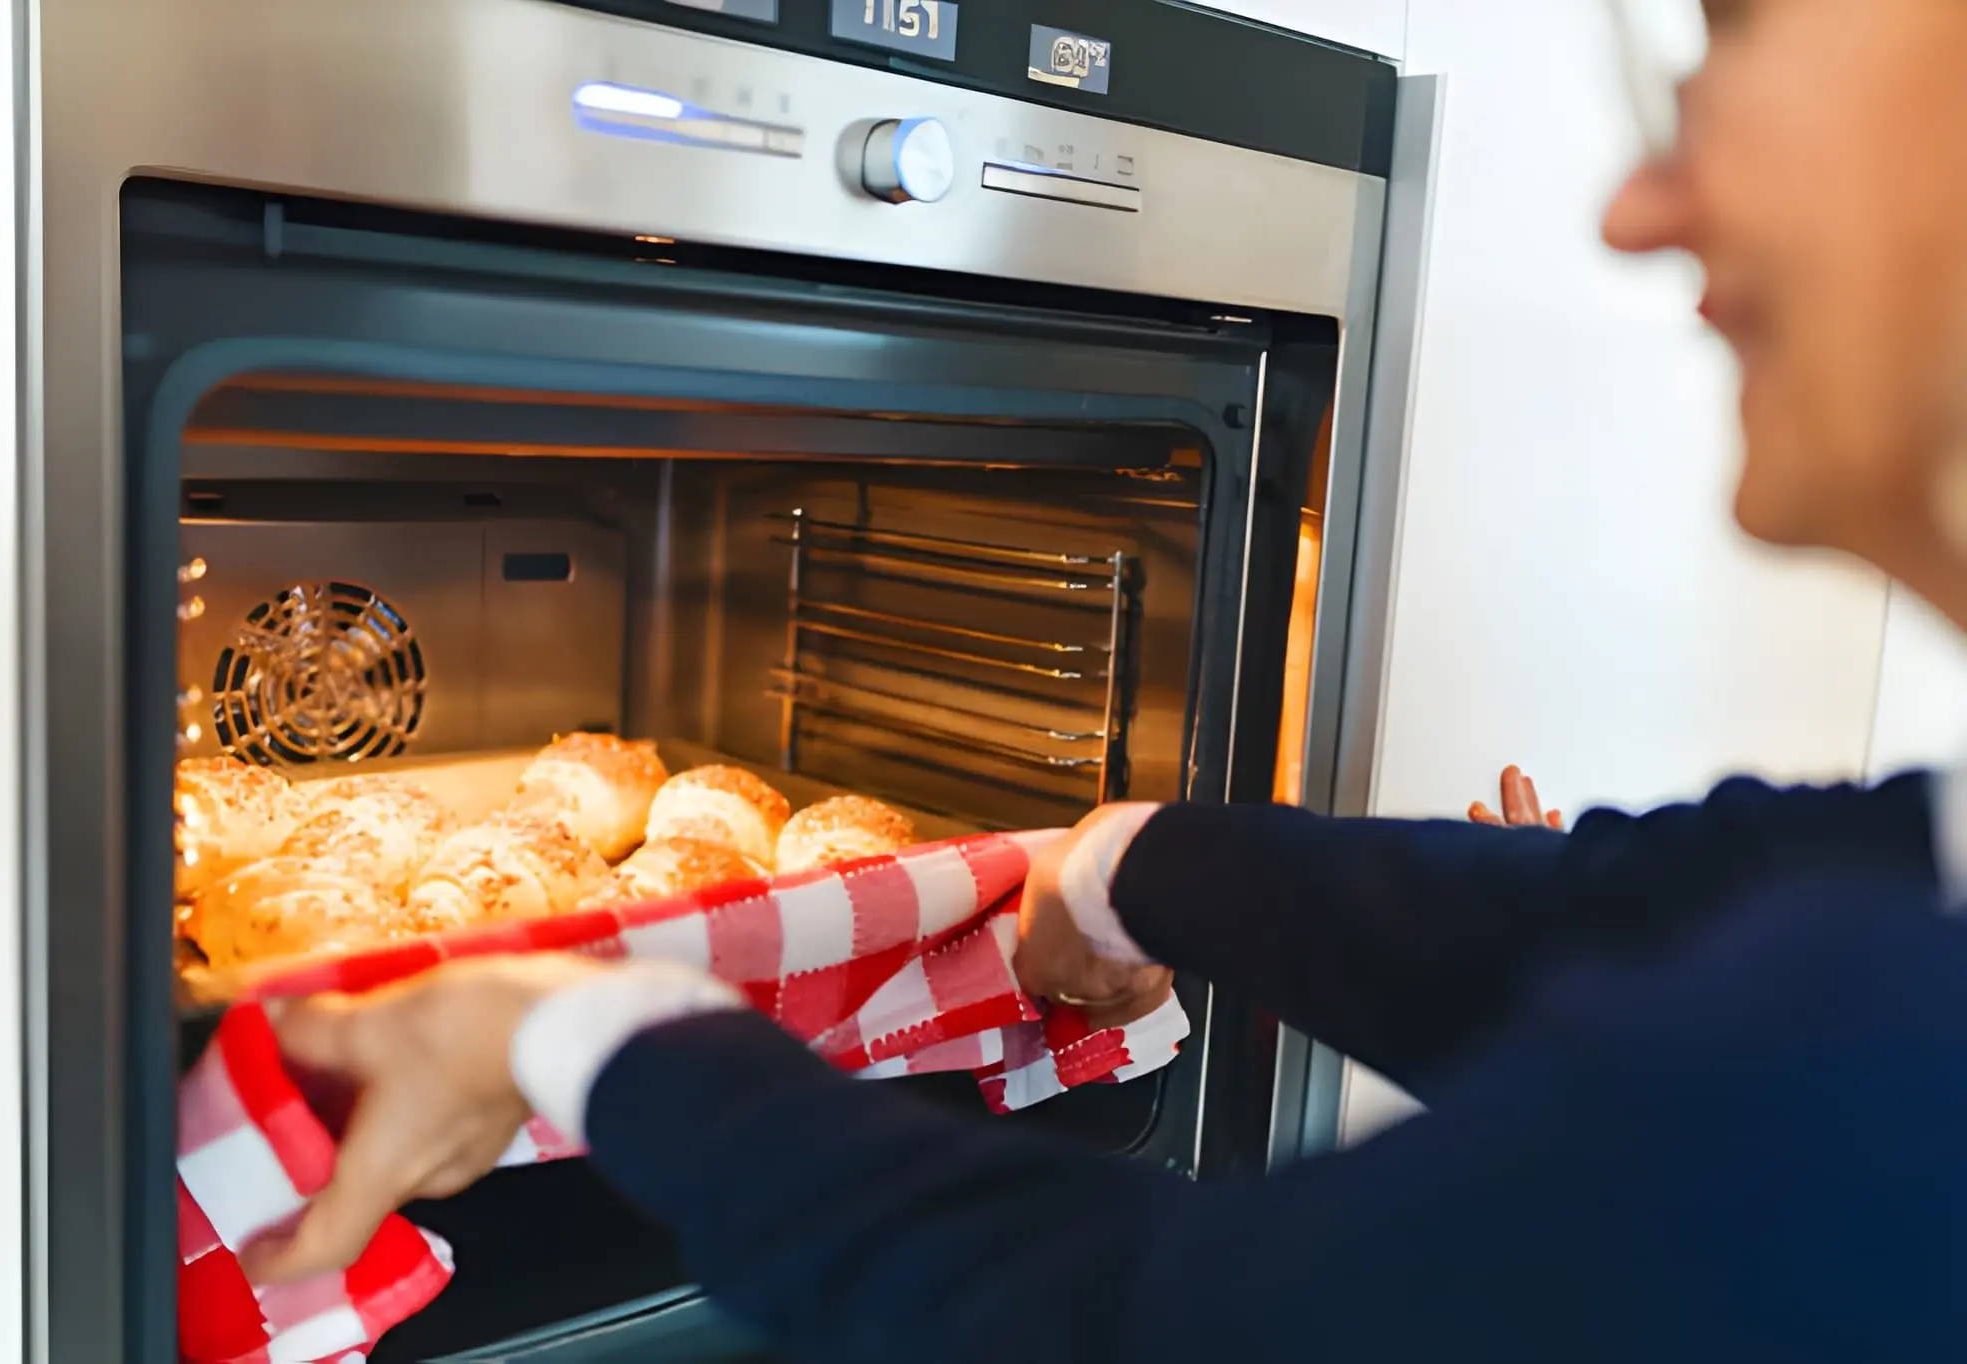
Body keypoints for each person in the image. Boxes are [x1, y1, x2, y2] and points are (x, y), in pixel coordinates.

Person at [243, 0, 1967, 1357]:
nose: (1634, 201)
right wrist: (1132, 862)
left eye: (1731, 30)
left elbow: (1131, 1324)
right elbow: (1643, 909)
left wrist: (581, 1024)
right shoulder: (1890, 935)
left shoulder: (1864, 1055)